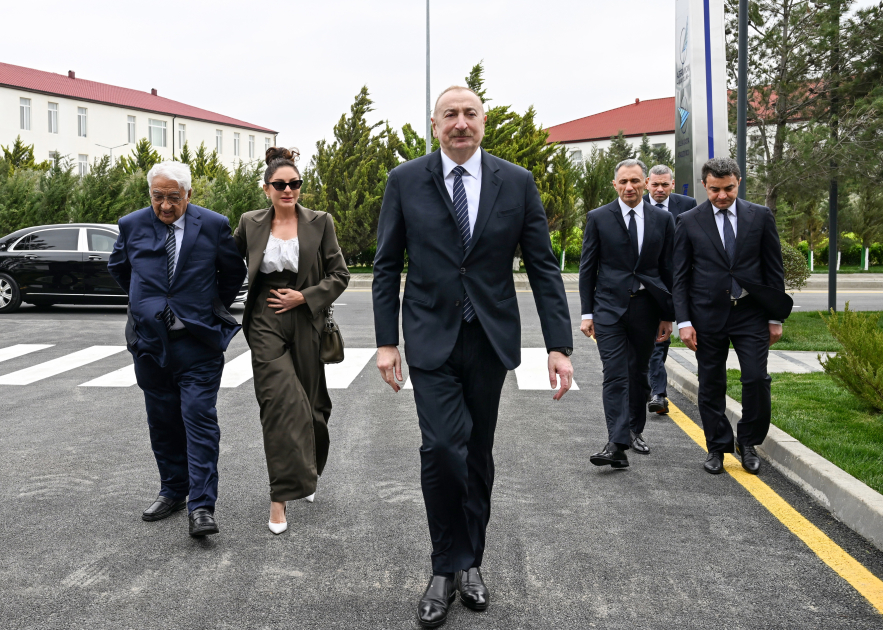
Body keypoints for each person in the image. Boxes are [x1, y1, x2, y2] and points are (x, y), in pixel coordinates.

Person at [373, 85, 574, 627]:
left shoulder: (517, 182)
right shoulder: (406, 180)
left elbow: (543, 268)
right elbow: (387, 264)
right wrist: (386, 341)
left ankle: (472, 564)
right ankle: (444, 567)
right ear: (434, 124)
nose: (460, 123)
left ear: (483, 122)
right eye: (450, 115)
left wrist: (558, 346)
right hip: (430, 337)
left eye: (470, 114)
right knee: (441, 449)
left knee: (477, 454)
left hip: (489, 339)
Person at [108, 161, 247, 537]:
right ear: (149, 195)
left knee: (199, 419)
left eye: (173, 197)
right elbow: (120, 268)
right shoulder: (132, 224)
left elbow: (233, 272)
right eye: (158, 197)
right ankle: (173, 490)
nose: (165, 206)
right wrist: (147, 305)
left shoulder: (214, 224)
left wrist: (206, 308)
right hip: (149, 344)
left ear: (188, 194)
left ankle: (201, 506)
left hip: (197, 345)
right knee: (162, 421)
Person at [233, 147, 349, 534]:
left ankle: (309, 469)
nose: (288, 190)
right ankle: (279, 499)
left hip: (305, 320)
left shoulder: (320, 222)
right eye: (280, 185)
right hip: (265, 319)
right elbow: (228, 264)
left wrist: (306, 296)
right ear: (266, 188)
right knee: (281, 405)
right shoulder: (250, 222)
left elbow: (340, 274)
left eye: (295, 184)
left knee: (314, 409)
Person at [673, 157, 792, 475]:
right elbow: (680, 277)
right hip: (706, 316)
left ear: (738, 182)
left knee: (755, 378)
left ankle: (749, 443)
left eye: (728, 188)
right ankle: (717, 447)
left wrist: (775, 317)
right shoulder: (688, 220)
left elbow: (773, 269)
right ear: (704, 186)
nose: (722, 196)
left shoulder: (760, 216)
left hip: (751, 314)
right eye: (714, 190)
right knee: (711, 383)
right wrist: (683, 321)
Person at [579, 159, 675, 466]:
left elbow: (668, 269)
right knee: (616, 374)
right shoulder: (598, 217)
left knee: (638, 373)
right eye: (623, 182)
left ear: (646, 183)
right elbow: (587, 269)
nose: (629, 187)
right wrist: (587, 313)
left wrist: (667, 315)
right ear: (615, 184)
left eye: (635, 181)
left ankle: (634, 431)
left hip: (647, 308)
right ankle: (616, 443)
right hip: (608, 309)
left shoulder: (662, 220)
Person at [642, 164, 697, 415]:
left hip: (680, 281)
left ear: (672, 184)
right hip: (650, 283)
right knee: (657, 342)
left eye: (665, 184)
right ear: (647, 184)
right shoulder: (635, 204)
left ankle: (655, 390)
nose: (660, 189)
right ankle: (658, 394)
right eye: (655, 184)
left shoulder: (687, 205)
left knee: (665, 340)